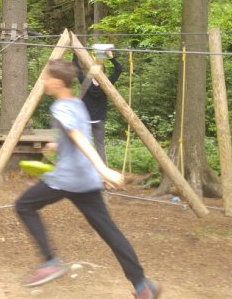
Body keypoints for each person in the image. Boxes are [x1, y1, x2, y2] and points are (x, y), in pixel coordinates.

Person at [15, 59, 161, 298]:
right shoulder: (77, 103)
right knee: (109, 231)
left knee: (23, 205)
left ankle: (50, 262)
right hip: (86, 180)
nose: (43, 82)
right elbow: (76, 136)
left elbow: (79, 138)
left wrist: (104, 169)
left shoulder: (61, 107)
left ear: (57, 82)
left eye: (46, 78)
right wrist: (57, 145)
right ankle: (142, 285)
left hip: (67, 178)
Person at [73, 48, 123, 163]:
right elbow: (119, 69)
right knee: (100, 145)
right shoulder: (107, 84)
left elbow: (76, 68)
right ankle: (101, 169)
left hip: (85, 119)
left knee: (83, 145)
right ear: (104, 73)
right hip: (98, 120)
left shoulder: (86, 82)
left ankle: (83, 167)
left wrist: (75, 54)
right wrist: (111, 56)